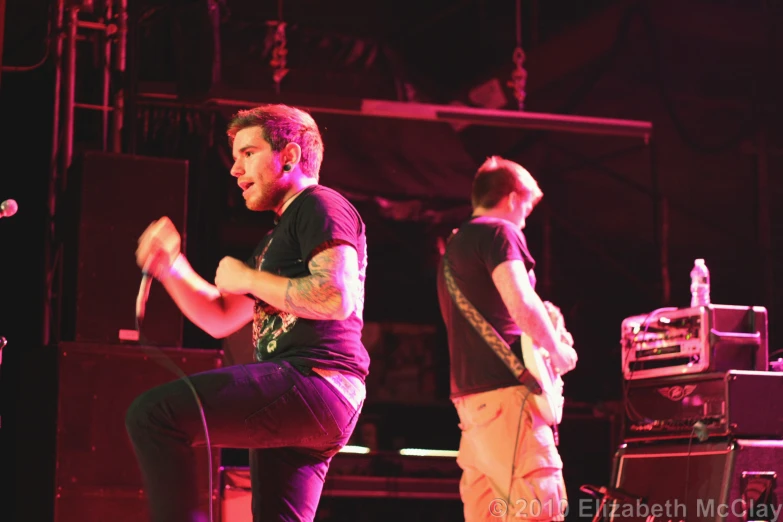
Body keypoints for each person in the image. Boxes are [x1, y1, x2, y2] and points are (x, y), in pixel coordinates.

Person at [126, 104, 369, 522]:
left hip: (315, 381)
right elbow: (220, 316)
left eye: (248, 153)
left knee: (154, 416)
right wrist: (171, 266)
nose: (236, 169)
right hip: (310, 396)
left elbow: (335, 297)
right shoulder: (277, 239)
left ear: (289, 156)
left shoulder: (320, 206)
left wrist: (248, 278)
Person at [436, 156, 578, 522]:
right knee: (538, 510)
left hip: (473, 405)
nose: (526, 218)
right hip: (507, 401)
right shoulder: (500, 232)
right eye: (527, 207)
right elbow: (520, 301)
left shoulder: (455, 247)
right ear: (513, 198)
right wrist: (557, 351)